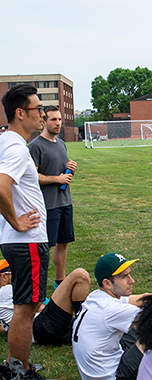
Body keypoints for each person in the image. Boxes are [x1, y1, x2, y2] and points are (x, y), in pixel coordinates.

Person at [0, 84, 50, 380]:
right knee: (26, 307)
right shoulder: (17, 147)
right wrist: (18, 222)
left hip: (17, 241)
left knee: (24, 305)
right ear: (20, 113)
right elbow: (1, 186)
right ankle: (19, 372)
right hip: (26, 240)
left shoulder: (6, 142)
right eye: (37, 109)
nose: (42, 115)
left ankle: (14, 365)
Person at [72, 252, 148, 380]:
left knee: (133, 331)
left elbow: (139, 299)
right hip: (112, 376)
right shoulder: (113, 309)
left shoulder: (96, 296)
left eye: (129, 274)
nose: (132, 280)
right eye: (124, 277)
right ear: (107, 283)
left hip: (94, 371)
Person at [28, 105, 77, 289]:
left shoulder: (62, 143)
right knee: (45, 247)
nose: (58, 123)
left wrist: (69, 169)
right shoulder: (35, 147)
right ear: (43, 122)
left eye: (59, 119)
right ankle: (38, 286)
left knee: (63, 243)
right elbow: (32, 177)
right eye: (53, 120)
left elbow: (62, 173)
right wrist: (58, 178)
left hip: (65, 202)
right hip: (48, 205)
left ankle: (60, 284)